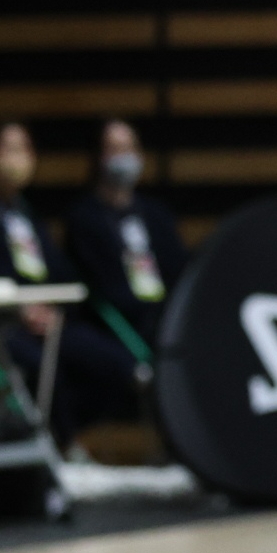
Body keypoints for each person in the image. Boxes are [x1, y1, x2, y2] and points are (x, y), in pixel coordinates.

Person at [0, 120, 135, 442]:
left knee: (118, 365)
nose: (18, 158)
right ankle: (56, 444)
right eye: (9, 149)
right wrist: (19, 308)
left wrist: (55, 309)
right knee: (45, 367)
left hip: (47, 323)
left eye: (25, 149)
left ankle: (64, 437)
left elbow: (59, 271)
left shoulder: (25, 213)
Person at [64, 118, 186, 376]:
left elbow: (178, 269)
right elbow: (98, 284)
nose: (124, 157)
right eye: (115, 149)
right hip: (116, 325)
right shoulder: (85, 218)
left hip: (162, 319)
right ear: (99, 157)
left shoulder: (156, 215)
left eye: (129, 148)